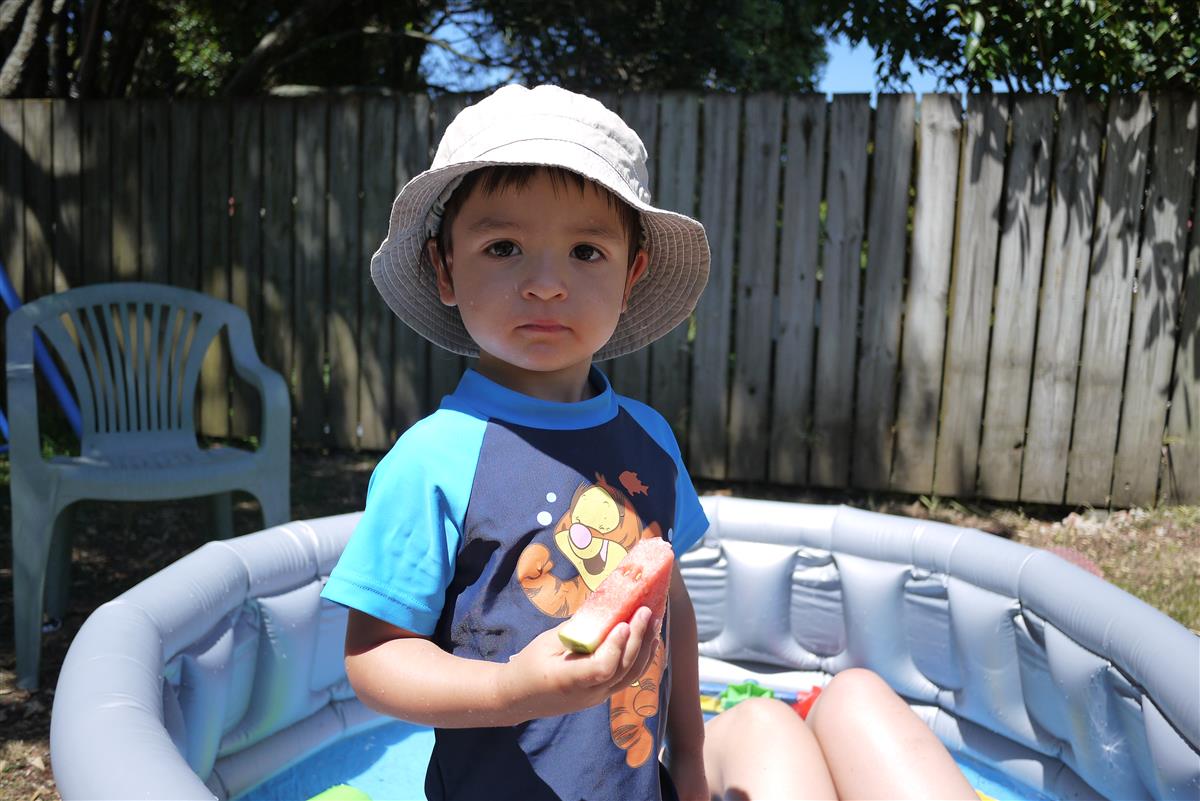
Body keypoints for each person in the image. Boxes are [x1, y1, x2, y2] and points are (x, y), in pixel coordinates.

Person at [321, 83, 978, 801]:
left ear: (631, 275)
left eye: (586, 251)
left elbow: (673, 608)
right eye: (502, 246)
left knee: (789, 724)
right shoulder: (433, 460)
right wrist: (511, 689)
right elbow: (374, 657)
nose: (546, 283)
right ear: (445, 269)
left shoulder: (648, 438)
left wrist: (690, 753)